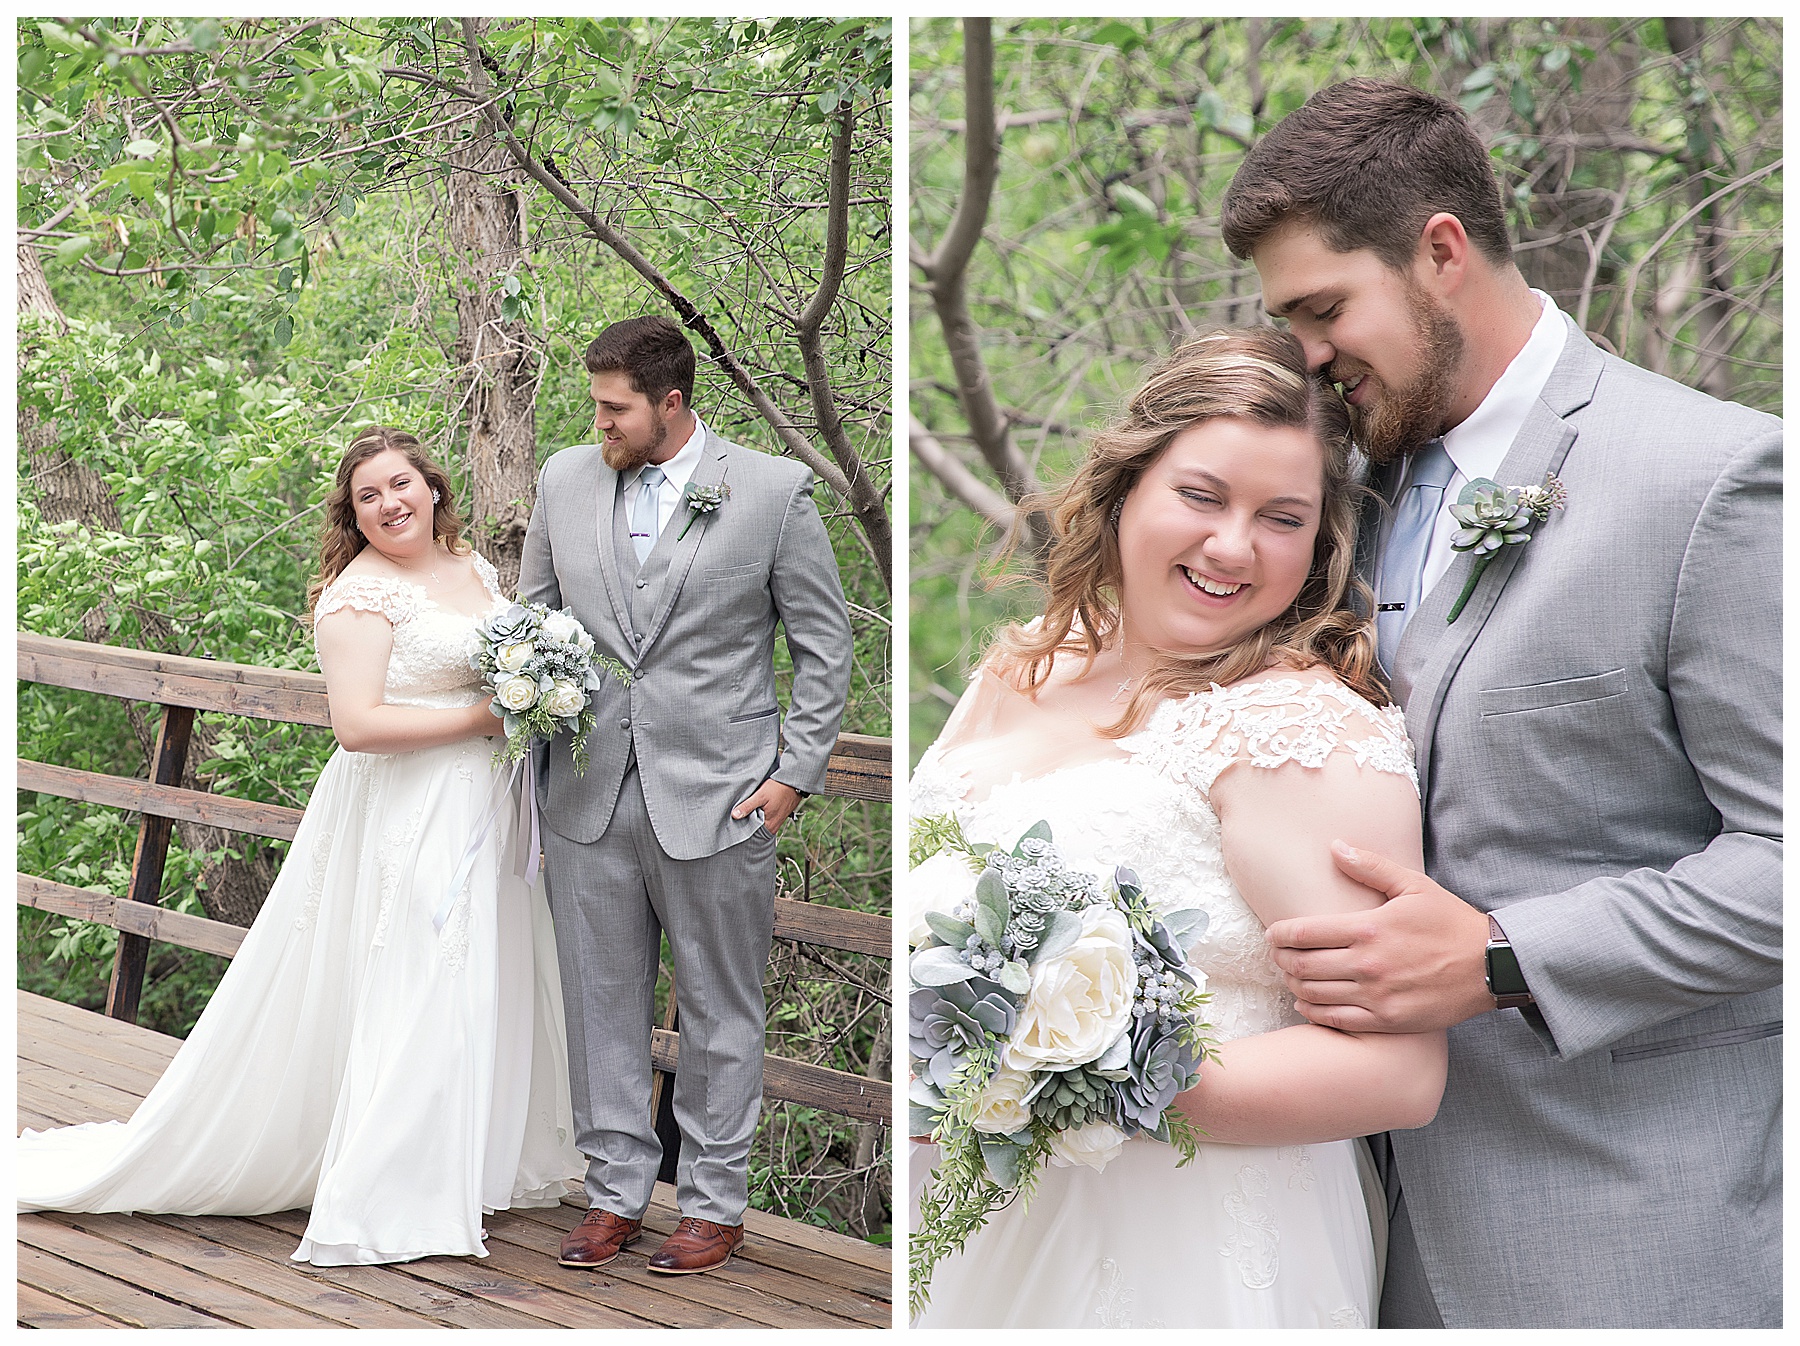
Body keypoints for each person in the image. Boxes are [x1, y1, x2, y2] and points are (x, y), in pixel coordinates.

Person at [1221, 78, 1781, 1329]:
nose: (1304, 357)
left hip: (1617, 1231)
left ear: (1440, 250)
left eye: (1323, 309)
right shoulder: (1330, 500)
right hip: (1349, 1224)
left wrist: (1503, 956)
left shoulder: (1707, 478)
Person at [910, 327, 1446, 1328]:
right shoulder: (1023, 664)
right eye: (1201, 495)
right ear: (1126, 489)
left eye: (1281, 517)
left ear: (1320, 541)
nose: (1233, 545)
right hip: (967, 1221)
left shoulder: (1298, 724)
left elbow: (1398, 1071)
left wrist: (1086, 1071)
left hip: (1189, 1243)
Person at [17, 426, 582, 1265]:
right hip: (410, 808)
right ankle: (401, 1185)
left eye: (401, 484)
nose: (391, 504)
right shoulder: (356, 596)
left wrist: (537, 692)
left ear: (432, 487)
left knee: (481, 973)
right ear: (352, 516)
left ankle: (471, 1160)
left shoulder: (474, 570)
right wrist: (496, 714)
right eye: (368, 497)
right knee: (423, 975)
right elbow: (357, 727)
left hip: (486, 808)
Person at [519, 315, 853, 1276]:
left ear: (671, 403)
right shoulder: (564, 480)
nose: (599, 422)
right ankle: (613, 1192)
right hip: (584, 791)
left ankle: (712, 1204)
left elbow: (824, 645)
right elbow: (533, 616)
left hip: (722, 793)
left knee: (720, 1008)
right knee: (599, 1000)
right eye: (594, 403)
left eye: (614, 407)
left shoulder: (774, 491)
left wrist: (795, 771)